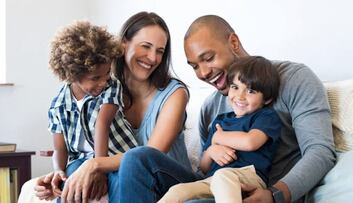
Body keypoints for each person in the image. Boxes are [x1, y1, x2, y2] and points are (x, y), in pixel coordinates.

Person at [117, 15, 336, 203]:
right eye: (194, 66)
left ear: (233, 42)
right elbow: (204, 169)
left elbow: (320, 152)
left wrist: (275, 194)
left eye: (208, 58)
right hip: (212, 187)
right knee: (138, 158)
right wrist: (211, 152)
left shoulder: (294, 79)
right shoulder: (210, 107)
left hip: (260, 190)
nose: (202, 73)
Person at [33, 12, 191, 203]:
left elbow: (148, 156)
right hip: (127, 178)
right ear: (123, 44)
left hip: (167, 180)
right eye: (146, 47)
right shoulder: (100, 87)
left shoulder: (174, 93)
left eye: (160, 51)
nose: (153, 57)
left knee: (133, 161)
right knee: (76, 181)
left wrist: (95, 164)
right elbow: (74, 144)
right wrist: (61, 177)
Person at [37, 20, 138, 202]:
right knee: (69, 185)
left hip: (115, 156)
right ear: (72, 74)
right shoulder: (58, 105)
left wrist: (98, 168)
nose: (104, 81)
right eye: (95, 77)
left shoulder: (111, 87)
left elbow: (102, 124)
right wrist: (58, 171)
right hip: (80, 160)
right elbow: (60, 148)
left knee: (119, 181)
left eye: (107, 73)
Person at [158, 56, 282, 203]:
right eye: (235, 87)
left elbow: (250, 142)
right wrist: (211, 151)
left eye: (250, 91)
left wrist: (218, 138)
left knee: (223, 176)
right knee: (178, 190)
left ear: (266, 99)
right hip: (213, 179)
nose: (240, 96)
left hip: (247, 177)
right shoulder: (221, 121)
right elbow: (203, 167)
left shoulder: (265, 116)